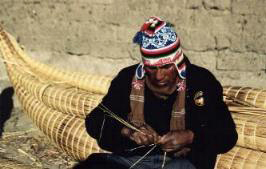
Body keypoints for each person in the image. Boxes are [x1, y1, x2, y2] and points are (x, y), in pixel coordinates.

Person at [81, 16, 238, 169]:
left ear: (178, 61)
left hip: (185, 163)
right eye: (151, 67)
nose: (158, 76)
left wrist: (191, 136)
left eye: (166, 67)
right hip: (134, 160)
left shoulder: (201, 82)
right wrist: (128, 132)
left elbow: (227, 135)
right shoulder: (127, 80)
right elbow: (94, 120)